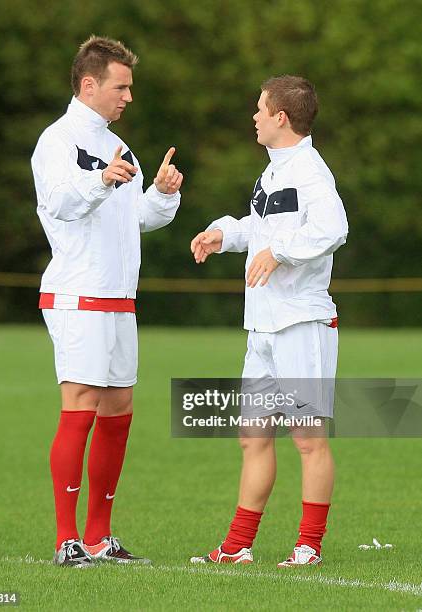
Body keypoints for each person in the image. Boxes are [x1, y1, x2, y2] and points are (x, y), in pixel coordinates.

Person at [31, 35, 183, 567]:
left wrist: (162, 193)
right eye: (122, 87)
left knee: (119, 410)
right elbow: (60, 202)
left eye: (130, 88)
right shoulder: (58, 140)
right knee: (81, 408)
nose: (128, 97)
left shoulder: (121, 146)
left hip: (119, 299)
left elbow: (136, 219)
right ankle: (66, 540)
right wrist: (100, 179)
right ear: (89, 84)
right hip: (79, 293)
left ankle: (100, 536)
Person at [189, 75, 348, 567]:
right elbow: (261, 228)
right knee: (252, 436)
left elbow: (334, 228)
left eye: (260, 109)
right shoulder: (274, 172)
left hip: (301, 324)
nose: (254, 116)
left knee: (308, 438)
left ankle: (309, 546)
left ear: (281, 117)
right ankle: (237, 547)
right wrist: (223, 233)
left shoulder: (312, 173)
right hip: (261, 328)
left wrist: (279, 252)